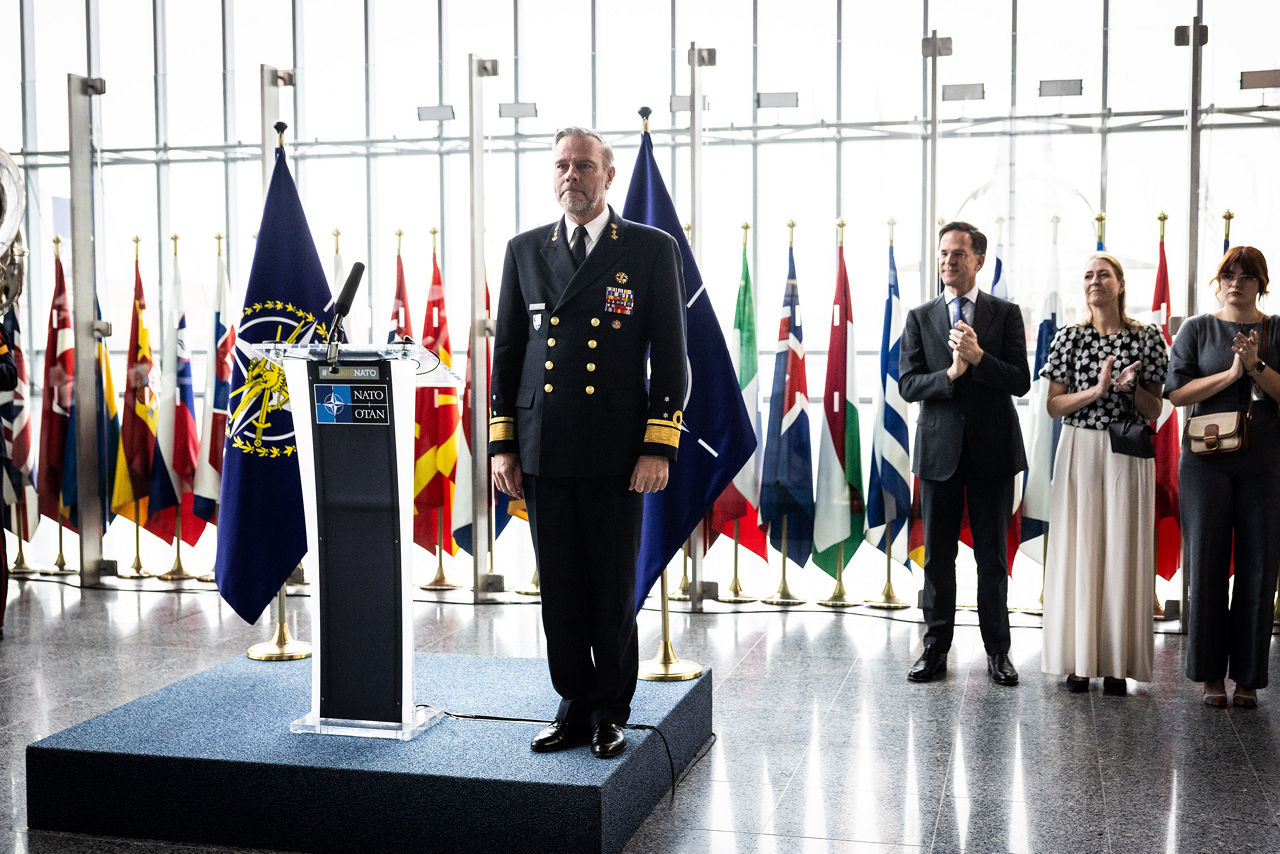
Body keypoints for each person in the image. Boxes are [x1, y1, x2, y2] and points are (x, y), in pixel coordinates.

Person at [489, 127, 687, 758]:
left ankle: (609, 710)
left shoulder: (649, 249)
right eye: (561, 166)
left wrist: (658, 446)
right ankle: (572, 703)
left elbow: (672, 356)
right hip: (543, 448)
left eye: (583, 165)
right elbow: (508, 354)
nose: (570, 176)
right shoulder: (525, 250)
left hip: (616, 452)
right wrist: (502, 444)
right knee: (561, 589)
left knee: (610, 588)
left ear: (608, 174)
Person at [899, 221, 1030, 686]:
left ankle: (998, 652)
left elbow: (1020, 380)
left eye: (958, 254)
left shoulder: (1005, 313)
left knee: (992, 559)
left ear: (979, 260)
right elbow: (908, 384)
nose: (948, 261)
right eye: (943, 253)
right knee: (937, 558)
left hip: (993, 452)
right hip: (939, 453)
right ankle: (935, 649)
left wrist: (979, 360)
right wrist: (951, 374)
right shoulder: (919, 316)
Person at [1039, 253, 1168, 695]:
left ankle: (1117, 663)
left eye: (1104, 274)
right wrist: (1095, 391)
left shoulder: (1147, 337)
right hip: (1079, 448)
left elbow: (1156, 408)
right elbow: (1053, 405)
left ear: (1121, 284)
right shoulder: (1069, 337)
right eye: (1088, 275)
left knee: (1122, 548)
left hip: (1127, 450)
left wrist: (1130, 390)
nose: (1095, 281)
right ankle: (1078, 660)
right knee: (1080, 547)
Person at [1166, 245, 1280, 708]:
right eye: (1229, 275)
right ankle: (1211, 675)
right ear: (1219, 281)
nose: (1237, 283)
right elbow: (1176, 393)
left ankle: (1248, 678)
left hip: (1266, 461)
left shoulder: (1276, 329)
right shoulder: (1197, 328)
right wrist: (1233, 373)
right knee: (1207, 564)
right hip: (1205, 460)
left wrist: (1256, 366)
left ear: (1261, 284)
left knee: (1259, 567)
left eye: (1247, 276)